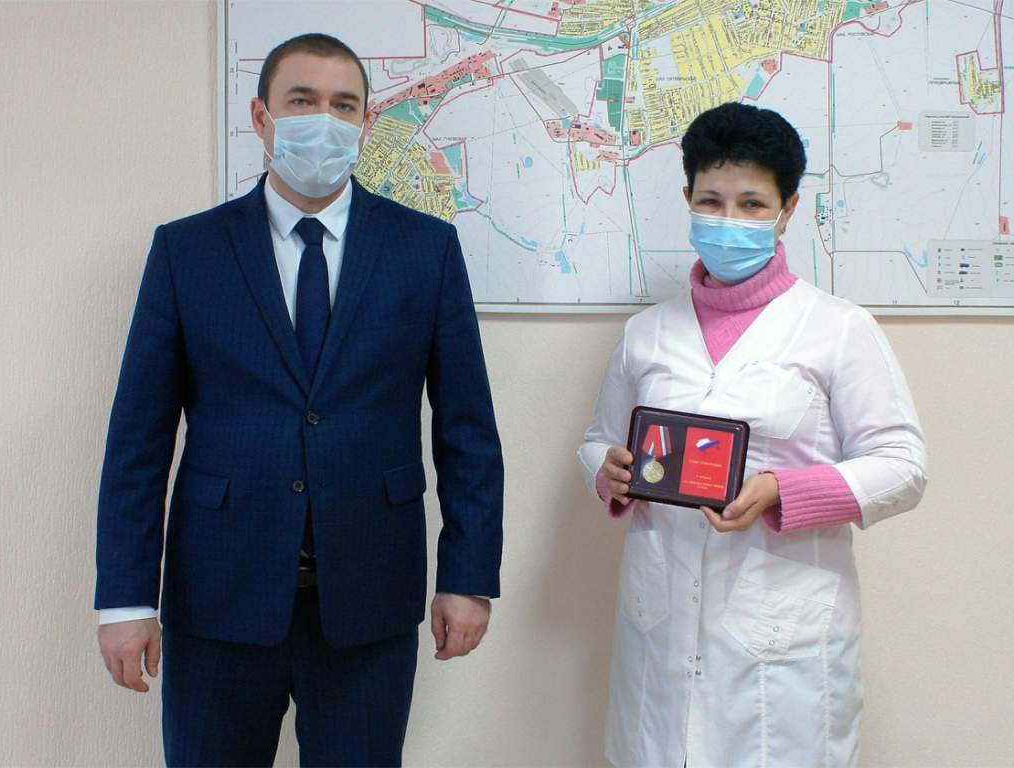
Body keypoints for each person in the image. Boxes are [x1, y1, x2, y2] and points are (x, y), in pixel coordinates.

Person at [95, 33, 504, 767]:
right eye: (302, 101)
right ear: (262, 117)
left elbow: (467, 432)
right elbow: (138, 440)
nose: (324, 119)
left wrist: (468, 579)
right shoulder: (188, 252)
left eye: (344, 105)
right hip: (219, 594)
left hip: (370, 595)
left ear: (367, 122)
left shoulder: (426, 250)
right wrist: (126, 600)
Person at [578, 102, 927, 767]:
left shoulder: (838, 329)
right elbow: (599, 440)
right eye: (711, 201)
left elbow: (903, 466)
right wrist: (609, 472)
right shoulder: (646, 333)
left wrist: (782, 491)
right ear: (687, 199)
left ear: (787, 209)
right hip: (662, 627)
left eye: (752, 204)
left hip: (782, 634)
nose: (729, 220)